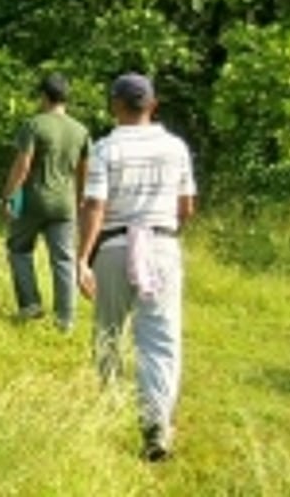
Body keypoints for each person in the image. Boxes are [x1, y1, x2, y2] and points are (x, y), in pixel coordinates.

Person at [76, 74, 197, 462]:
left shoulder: (106, 148)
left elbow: (94, 206)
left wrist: (82, 259)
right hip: (161, 245)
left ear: (115, 105)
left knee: (108, 333)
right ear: (153, 105)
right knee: (159, 339)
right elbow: (186, 206)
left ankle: (107, 409)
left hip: (114, 246)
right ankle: (156, 424)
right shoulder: (176, 148)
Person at [1, 74, 91, 331]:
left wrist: (8, 197)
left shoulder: (34, 125)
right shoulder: (81, 130)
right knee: (63, 259)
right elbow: (84, 172)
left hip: (33, 201)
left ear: (43, 96)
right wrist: (80, 201)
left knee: (19, 249)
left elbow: (23, 166)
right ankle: (65, 319)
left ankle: (30, 304)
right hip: (64, 204)